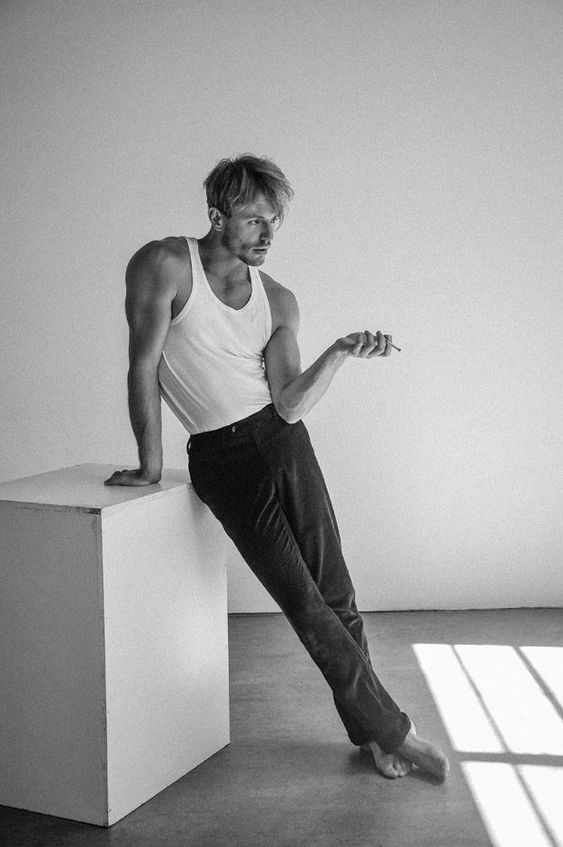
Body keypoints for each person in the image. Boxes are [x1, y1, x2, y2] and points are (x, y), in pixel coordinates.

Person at [105, 154, 449, 782]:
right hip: (224, 458)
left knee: (337, 594)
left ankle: (372, 736)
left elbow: (288, 404)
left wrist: (337, 353)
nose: (267, 234)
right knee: (303, 602)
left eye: (275, 222)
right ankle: (396, 732)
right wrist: (150, 466)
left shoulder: (279, 299)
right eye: (254, 219)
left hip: (285, 441)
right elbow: (143, 365)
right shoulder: (165, 264)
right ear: (217, 216)